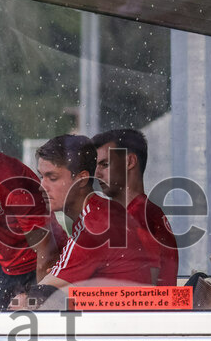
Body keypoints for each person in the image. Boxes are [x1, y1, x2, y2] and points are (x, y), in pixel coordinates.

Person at [24, 134, 154, 308]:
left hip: (124, 326)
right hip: (124, 320)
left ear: (82, 179)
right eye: (41, 176)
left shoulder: (95, 225)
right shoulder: (99, 211)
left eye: (52, 178)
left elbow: (41, 296)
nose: (42, 186)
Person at [0, 104, 64, 307]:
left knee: (41, 335)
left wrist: (35, 300)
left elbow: (47, 251)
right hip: (8, 271)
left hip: (41, 270)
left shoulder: (11, 180)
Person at [92, 129, 178, 286]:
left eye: (104, 164)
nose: (96, 174)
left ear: (130, 162)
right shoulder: (141, 213)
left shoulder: (138, 218)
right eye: (95, 166)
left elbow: (143, 290)